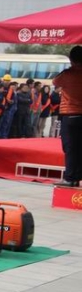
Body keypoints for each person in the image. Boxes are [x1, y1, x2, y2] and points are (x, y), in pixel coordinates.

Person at [53, 46, 82, 187]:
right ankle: (78, 176)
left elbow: (55, 82)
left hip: (70, 114)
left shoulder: (67, 74)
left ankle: (70, 178)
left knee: (70, 147)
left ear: (71, 59)